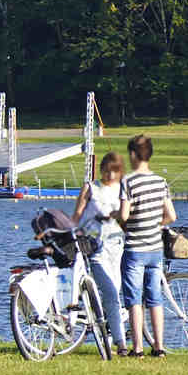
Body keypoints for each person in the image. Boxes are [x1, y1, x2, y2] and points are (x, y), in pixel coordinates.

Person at [116, 134, 176, 357]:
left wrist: (118, 217)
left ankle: (138, 348)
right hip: (155, 249)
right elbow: (171, 215)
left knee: (133, 300)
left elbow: (124, 214)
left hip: (134, 249)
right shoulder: (161, 181)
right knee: (155, 298)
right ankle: (159, 347)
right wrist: (155, 223)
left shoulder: (128, 181)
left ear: (133, 154)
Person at [71, 151, 127, 352]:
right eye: (107, 171)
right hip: (93, 247)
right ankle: (121, 343)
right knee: (111, 293)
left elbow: (127, 217)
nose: (110, 176)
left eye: (115, 172)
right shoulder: (90, 188)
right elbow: (77, 215)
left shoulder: (122, 189)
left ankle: (109, 335)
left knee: (115, 294)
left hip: (117, 246)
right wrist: (69, 231)